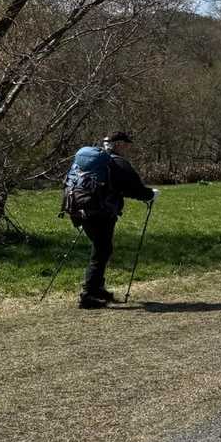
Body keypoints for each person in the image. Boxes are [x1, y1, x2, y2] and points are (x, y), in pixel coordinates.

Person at [61, 131, 156, 309]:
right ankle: (88, 294)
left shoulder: (90, 160)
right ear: (118, 144)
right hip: (100, 212)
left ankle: (97, 289)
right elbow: (135, 189)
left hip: (77, 208)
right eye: (126, 145)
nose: (128, 149)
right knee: (102, 249)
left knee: (101, 248)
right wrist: (150, 195)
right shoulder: (118, 163)